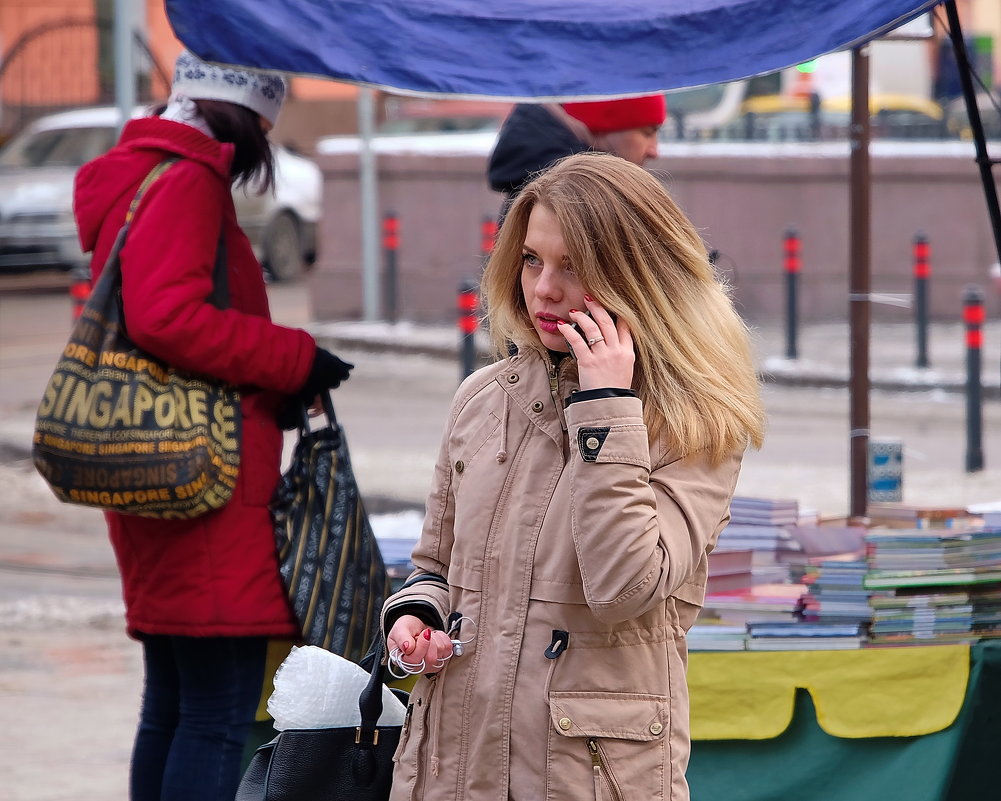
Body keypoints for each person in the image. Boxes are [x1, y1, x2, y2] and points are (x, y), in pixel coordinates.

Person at [383, 152, 765, 801]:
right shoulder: (483, 398)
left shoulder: (693, 421)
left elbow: (625, 585)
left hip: (579, 775)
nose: (543, 289)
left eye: (572, 266)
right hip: (450, 766)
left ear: (636, 275)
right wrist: (417, 616)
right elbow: (433, 564)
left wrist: (606, 407)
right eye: (531, 259)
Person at [72, 50, 352, 801]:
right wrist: (292, 358)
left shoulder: (143, 172)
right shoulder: (187, 180)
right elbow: (166, 316)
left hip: (158, 465)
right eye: (265, 129)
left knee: (173, 699)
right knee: (214, 710)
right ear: (245, 115)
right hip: (202, 481)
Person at [487, 94, 666, 217]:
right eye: (647, 132)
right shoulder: (581, 198)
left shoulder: (542, 182)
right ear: (603, 125)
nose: (654, 151)